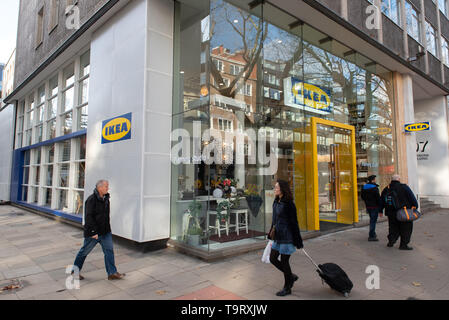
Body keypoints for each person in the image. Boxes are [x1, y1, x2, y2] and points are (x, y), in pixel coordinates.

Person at [71, 180, 125, 280]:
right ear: (99, 188)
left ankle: (112, 273)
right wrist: (93, 232)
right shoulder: (91, 200)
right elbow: (88, 217)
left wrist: (108, 229)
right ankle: (75, 272)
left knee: (109, 251)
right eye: (106, 186)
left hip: (105, 232)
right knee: (84, 252)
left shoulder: (106, 198)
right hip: (94, 233)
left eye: (107, 186)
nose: (107, 188)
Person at [268, 180, 304, 297]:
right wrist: (271, 232)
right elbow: (274, 219)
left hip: (287, 236)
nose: (275, 189)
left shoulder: (288, 204)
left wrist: (298, 240)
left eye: (276, 187)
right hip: (278, 235)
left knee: (284, 261)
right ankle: (291, 276)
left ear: (282, 189)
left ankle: (287, 287)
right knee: (273, 258)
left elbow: (294, 222)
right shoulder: (276, 200)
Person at [380, 174, 418, 250]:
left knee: (393, 227)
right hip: (404, 212)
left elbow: (381, 201)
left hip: (391, 212)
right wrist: (415, 206)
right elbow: (412, 198)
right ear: (399, 179)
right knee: (406, 228)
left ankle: (391, 241)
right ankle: (403, 245)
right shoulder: (404, 187)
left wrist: (380, 210)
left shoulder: (386, 189)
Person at [361, 175, 381, 242]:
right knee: (373, 221)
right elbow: (378, 198)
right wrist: (380, 206)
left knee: (372, 220)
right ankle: (371, 236)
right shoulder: (375, 188)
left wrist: (367, 201)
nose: (375, 180)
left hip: (368, 206)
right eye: (375, 179)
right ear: (372, 180)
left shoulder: (364, 187)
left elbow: (362, 197)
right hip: (374, 206)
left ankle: (373, 233)